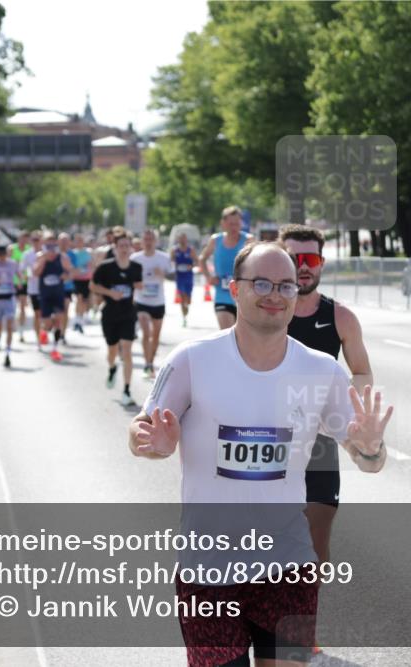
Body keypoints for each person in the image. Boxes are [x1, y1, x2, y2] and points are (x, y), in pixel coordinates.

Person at [129, 241, 392, 667]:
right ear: (234, 289)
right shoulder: (192, 360)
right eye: (262, 283)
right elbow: (141, 429)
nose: (275, 294)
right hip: (207, 570)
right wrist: (151, 444)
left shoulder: (322, 370)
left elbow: (369, 461)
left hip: (288, 567)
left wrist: (372, 448)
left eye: (286, 285)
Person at [280, 224, 373, 567]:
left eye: (311, 258)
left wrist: (338, 410)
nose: (303, 266)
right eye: (294, 258)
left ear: (320, 263)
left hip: (318, 443)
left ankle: (304, 616)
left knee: (317, 541)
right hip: (269, 439)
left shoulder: (340, 317)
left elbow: (362, 373)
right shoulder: (266, 312)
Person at [91, 232, 143, 405]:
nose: (124, 249)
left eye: (127, 246)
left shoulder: (136, 267)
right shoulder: (105, 267)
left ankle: (127, 390)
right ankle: (112, 367)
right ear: (115, 248)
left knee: (126, 349)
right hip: (110, 315)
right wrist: (109, 293)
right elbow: (92, 286)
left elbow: (138, 285)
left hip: (128, 314)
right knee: (112, 350)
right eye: (121, 246)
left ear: (131, 248)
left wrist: (139, 285)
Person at [198, 206, 252, 329]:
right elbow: (202, 259)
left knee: (242, 338)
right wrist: (209, 277)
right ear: (223, 223)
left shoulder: (248, 240)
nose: (234, 227)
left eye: (237, 224)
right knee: (227, 331)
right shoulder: (216, 240)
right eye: (231, 224)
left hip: (243, 296)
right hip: (222, 295)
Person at [130, 228, 171, 378]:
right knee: (146, 332)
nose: (148, 242)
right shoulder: (135, 258)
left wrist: (163, 274)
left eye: (151, 239)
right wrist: (136, 284)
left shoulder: (163, 257)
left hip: (158, 302)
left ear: (156, 241)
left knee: (156, 335)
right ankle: (147, 363)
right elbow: (128, 279)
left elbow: (173, 276)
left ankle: (151, 361)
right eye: (145, 239)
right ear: (141, 241)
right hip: (141, 301)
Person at [33, 232, 73, 362]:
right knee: (47, 323)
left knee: (59, 319)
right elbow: (36, 273)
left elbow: (69, 272)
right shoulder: (40, 256)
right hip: (45, 294)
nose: (50, 247)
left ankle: (55, 348)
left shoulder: (63, 257)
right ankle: (44, 331)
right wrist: (44, 259)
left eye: (52, 244)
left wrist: (65, 276)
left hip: (58, 294)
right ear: (43, 244)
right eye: (47, 244)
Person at [20, 231, 44, 347]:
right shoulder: (27, 254)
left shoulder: (47, 252)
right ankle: (38, 338)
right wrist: (27, 275)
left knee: (49, 314)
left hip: (47, 288)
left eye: (38, 239)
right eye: (34, 239)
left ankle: (45, 332)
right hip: (34, 288)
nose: (36, 242)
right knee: (37, 314)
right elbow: (22, 270)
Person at [170, 232, 198, 327]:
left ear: (186, 239)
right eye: (180, 238)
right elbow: (171, 261)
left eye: (184, 238)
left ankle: (186, 308)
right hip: (179, 277)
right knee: (182, 297)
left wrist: (192, 265)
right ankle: (184, 317)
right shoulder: (174, 250)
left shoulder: (191, 250)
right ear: (178, 240)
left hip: (188, 276)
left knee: (188, 299)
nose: (182, 240)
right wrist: (174, 266)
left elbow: (197, 261)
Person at [10, 232, 31, 343]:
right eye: (21, 239)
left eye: (25, 239)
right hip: (13, 282)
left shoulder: (29, 249)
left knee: (22, 306)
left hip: (25, 282)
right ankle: (13, 324)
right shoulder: (12, 249)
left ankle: (21, 331)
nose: (23, 241)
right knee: (13, 307)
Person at [71, 233, 93, 331]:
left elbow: (92, 265)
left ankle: (80, 318)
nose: (79, 242)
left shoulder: (88, 252)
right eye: (77, 240)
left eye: (81, 240)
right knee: (79, 298)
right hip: (76, 280)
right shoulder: (73, 253)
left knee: (84, 301)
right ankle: (77, 319)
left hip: (86, 280)